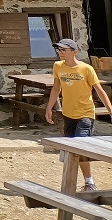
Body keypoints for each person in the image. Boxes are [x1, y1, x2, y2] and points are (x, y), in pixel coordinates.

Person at [45, 38, 112, 192]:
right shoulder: (58, 66)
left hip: (85, 113)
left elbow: (99, 90)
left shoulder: (86, 69)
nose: (60, 52)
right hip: (68, 113)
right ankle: (71, 184)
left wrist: (110, 109)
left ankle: (89, 183)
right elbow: (56, 88)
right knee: (71, 149)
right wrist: (49, 108)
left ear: (74, 52)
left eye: (63, 50)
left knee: (80, 147)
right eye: (59, 50)